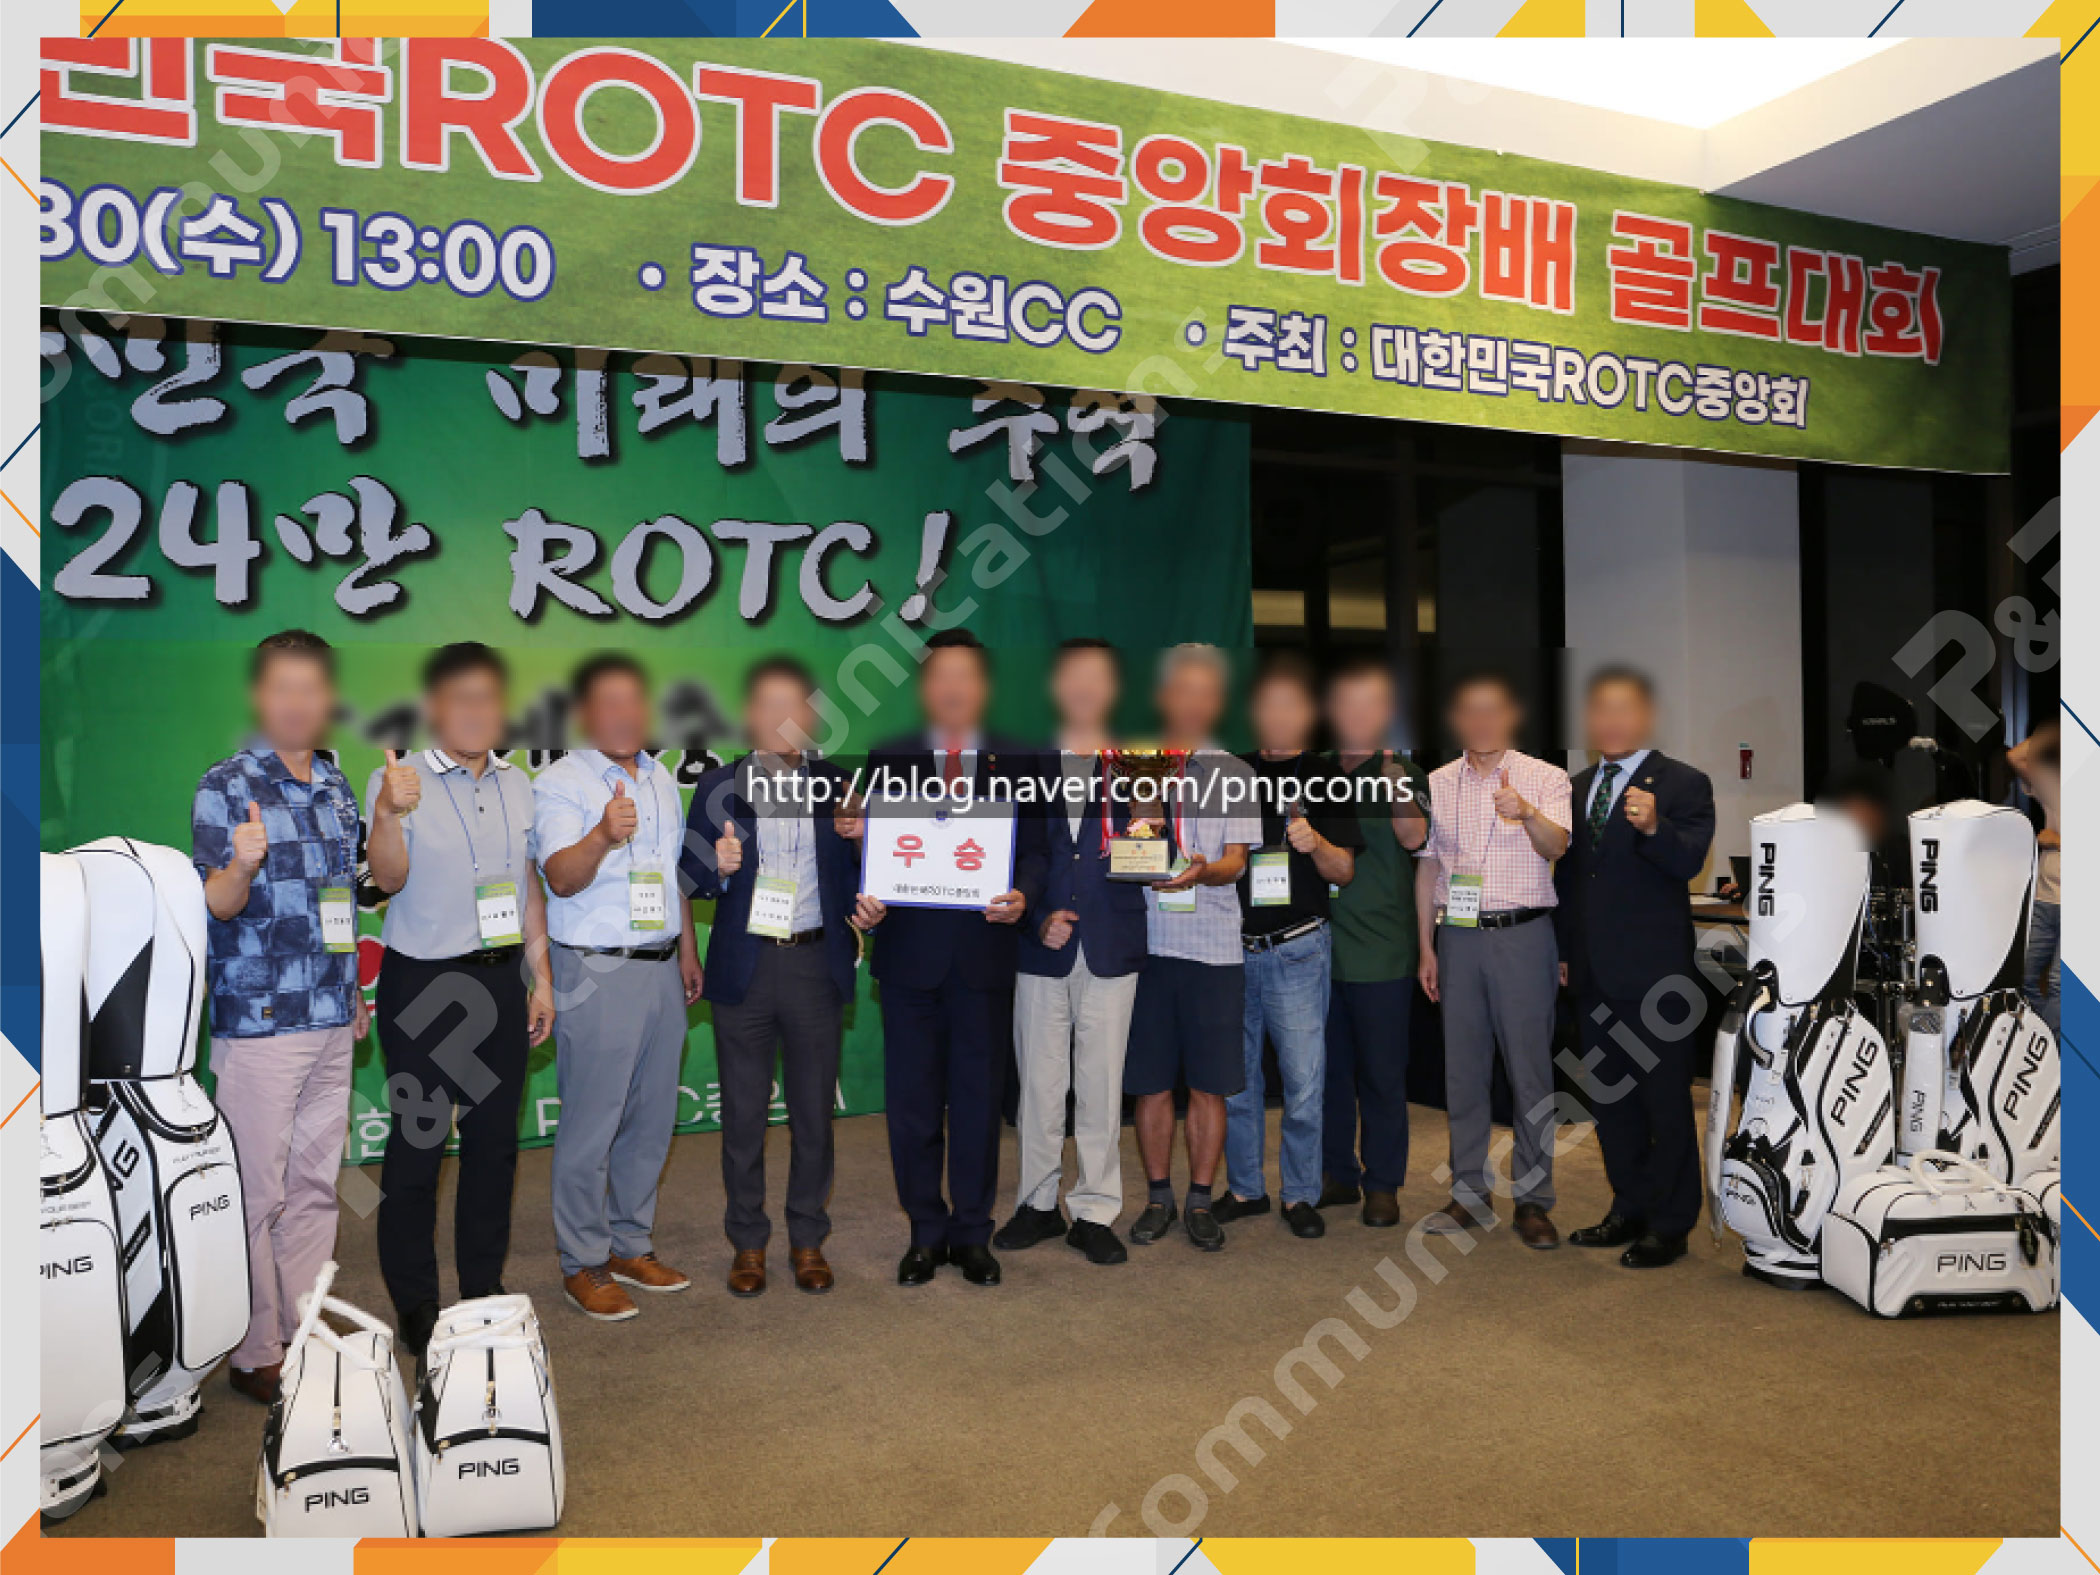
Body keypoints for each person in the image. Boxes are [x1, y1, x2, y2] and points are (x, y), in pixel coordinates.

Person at [191, 630, 366, 1404]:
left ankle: (304, 1321)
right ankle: (254, 1347)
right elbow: (215, 903)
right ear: (260, 696)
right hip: (259, 1022)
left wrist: (353, 988)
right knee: (256, 1193)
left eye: (311, 688)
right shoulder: (226, 785)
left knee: (316, 1185)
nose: (297, 702)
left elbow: (343, 898)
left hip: (330, 1011)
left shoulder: (336, 783)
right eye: (282, 687)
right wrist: (241, 864)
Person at [365, 642, 555, 1356]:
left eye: (488, 697)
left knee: (493, 1147)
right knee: (418, 1150)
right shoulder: (399, 779)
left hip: (501, 982)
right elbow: (387, 879)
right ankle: (416, 1302)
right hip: (425, 986)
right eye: (461, 697)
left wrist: (541, 976)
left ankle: (482, 1289)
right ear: (435, 707)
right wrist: (388, 813)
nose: (476, 711)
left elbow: (528, 886)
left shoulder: (518, 783)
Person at [844, 628, 1044, 1287]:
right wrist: (866, 894)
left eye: (966, 675)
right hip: (909, 960)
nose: (954, 688)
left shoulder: (1020, 756)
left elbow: (1036, 850)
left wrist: (1025, 895)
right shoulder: (890, 755)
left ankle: (972, 1232)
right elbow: (874, 854)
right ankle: (925, 1232)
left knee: (979, 1104)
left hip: (984, 958)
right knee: (913, 1105)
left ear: (983, 687)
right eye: (941, 676)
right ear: (925, 687)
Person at [680, 656, 874, 1297]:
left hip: (815, 963)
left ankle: (808, 1238)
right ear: (749, 715)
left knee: (814, 1114)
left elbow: (869, 874)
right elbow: (689, 876)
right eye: (768, 705)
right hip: (747, 965)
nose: (781, 719)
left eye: (794, 706)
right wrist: (718, 866)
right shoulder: (718, 787)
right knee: (742, 1117)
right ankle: (748, 1242)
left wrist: (860, 841)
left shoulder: (840, 786)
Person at [533, 655, 704, 1321]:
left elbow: (670, 874)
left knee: (651, 1119)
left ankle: (632, 1244)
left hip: (661, 966)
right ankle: (582, 1260)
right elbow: (560, 877)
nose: (626, 714)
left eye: (635, 701)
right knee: (592, 1124)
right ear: (584, 713)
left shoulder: (661, 777)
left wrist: (686, 950)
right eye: (609, 702)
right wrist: (603, 833)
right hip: (595, 970)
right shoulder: (560, 782)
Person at [1553, 668, 1715, 1269]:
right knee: (1611, 1102)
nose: (1611, 721)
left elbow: (1689, 859)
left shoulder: (1684, 783)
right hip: (1592, 972)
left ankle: (1670, 1224)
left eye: (1623, 710)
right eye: (1600, 711)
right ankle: (1629, 1208)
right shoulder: (1575, 787)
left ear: (1645, 718)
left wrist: (1654, 827)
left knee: (1664, 1103)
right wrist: (1564, 951)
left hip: (1657, 977)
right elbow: (1570, 880)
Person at [996, 638, 1149, 1266]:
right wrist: (1036, 920)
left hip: (1112, 942)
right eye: (1074, 676)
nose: (1085, 688)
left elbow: (1153, 859)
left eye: (1098, 677)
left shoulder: (1140, 762)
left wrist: (1150, 814)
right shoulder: (1023, 762)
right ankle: (1037, 1204)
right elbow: (1010, 853)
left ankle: (1094, 1211)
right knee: (1038, 1085)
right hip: (1042, 947)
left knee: (1101, 1086)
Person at [1415, 672, 1571, 1248]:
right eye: (1470, 712)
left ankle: (1533, 1199)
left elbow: (1558, 847)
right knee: (1463, 1071)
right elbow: (1428, 867)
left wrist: (1526, 812)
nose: (1481, 722)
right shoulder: (1437, 782)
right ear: (1457, 721)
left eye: (1492, 711)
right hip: (1457, 936)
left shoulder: (1545, 777)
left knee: (1529, 1072)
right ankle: (1469, 1194)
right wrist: (1426, 946)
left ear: (1511, 717)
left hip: (1522, 936)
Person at [1217, 652, 1362, 1240]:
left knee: (1303, 1083)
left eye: (1289, 706)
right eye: (1267, 706)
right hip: (1233, 948)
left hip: (1298, 949)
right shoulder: (1231, 774)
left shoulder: (1327, 776)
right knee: (1237, 1083)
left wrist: (1316, 842)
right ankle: (1246, 1189)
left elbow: (1344, 870)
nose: (1277, 717)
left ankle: (1300, 1193)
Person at [1124, 644, 1259, 1252]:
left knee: (1210, 1084)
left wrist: (1202, 872)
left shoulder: (1236, 775)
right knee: (1150, 1083)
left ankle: (1201, 1200)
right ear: (1163, 698)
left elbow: (1236, 862)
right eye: (1182, 690)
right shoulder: (1133, 765)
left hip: (1213, 951)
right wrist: (1147, 797)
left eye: (1205, 692)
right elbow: (1132, 846)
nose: (1192, 703)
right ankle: (1159, 1197)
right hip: (1147, 948)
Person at [1319, 655, 1431, 1228]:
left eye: (1369, 704)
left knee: (1382, 1075)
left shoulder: (1402, 772)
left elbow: (1415, 840)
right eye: (1347, 703)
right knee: (1328, 1073)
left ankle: (1383, 1182)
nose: (1356, 714)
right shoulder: (1314, 770)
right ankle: (1337, 1173)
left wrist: (1397, 792)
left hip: (1382, 950)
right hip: (1318, 949)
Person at [2008, 717, 2061, 1035]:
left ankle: (2053, 1048)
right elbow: (2016, 756)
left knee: (2058, 984)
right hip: (2044, 897)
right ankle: (2039, 1037)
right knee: (2023, 976)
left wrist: (2057, 840)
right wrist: (2055, 731)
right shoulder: (2051, 783)